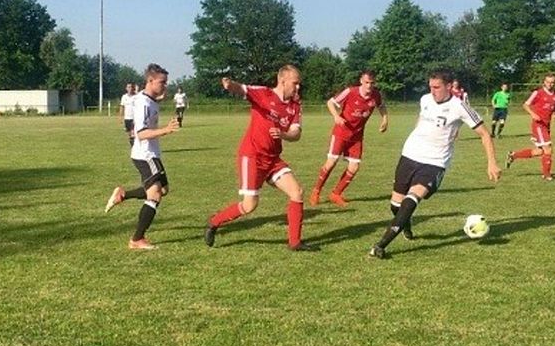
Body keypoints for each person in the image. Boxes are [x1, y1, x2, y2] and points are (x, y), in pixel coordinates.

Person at [368, 70, 501, 259]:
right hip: (410, 155)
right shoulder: (425, 100)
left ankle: (381, 245)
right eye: (430, 87)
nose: (433, 91)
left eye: (437, 87)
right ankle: (406, 223)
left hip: (435, 162)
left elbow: (485, 134)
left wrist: (492, 163)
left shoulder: (459, 106)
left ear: (449, 87)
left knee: (412, 198)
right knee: (396, 206)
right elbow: (421, 119)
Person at [204, 65, 315, 251]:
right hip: (252, 156)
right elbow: (242, 89)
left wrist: (283, 134)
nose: (298, 88)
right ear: (283, 81)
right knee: (250, 205)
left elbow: (296, 133)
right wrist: (230, 85)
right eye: (295, 84)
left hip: (273, 159)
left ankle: (295, 242)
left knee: (297, 192)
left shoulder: (295, 105)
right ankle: (214, 222)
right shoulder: (263, 94)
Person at [104, 64, 181, 250]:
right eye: (162, 82)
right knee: (154, 194)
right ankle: (137, 239)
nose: (165, 86)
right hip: (145, 154)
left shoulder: (150, 99)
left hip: (151, 153)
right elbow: (141, 133)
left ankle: (123, 195)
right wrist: (166, 130)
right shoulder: (143, 103)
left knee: (163, 190)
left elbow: (154, 101)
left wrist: (161, 98)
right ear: (150, 81)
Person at [309, 70, 388, 207]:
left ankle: (336, 193)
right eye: (367, 82)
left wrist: (385, 119)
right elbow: (330, 102)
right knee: (331, 163)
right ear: (361, 81)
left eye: (372, 83)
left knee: (354, 167)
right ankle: (316, 191)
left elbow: (381, 106)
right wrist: (336, 116)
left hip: (356, 137)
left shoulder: (376, 95)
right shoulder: (350, 92)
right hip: (341, 133)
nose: (369, 86)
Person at [505, 73, 555, 181]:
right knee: (548, 149)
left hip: (546, 124)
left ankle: (513, 155)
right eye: (548, 82)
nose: (550, 84)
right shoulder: (538, 93)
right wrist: (533, 114)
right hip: (538, 125)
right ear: (544, 82)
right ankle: (546, 174)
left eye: (552, 82)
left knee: (540, 152)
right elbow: (525, 105)